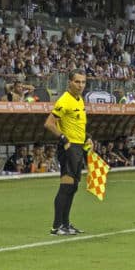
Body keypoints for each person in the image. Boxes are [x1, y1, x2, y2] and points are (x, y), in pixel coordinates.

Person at [43, 70, 92, 236]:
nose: (81, 85)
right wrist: (64, 139)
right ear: (69, 82)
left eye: (83, 82)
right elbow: (49, 124)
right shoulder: (64, 100)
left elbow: (77, 125)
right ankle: (56, 226)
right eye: (77, 82)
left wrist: (87, 137)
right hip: (69, 148)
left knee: (73, 188)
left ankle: (65, 224)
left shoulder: (79, 100)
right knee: (66, 187)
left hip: (79, 147)